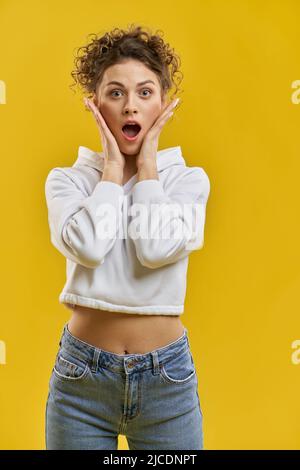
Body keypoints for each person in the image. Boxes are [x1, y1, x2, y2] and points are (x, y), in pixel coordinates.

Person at [44, 24, 210, 450]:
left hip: (167, 382)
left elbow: (154, 249)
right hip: (81, 380)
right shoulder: (67, 181)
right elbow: (89, 246)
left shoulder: (189, 181)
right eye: (115, 93)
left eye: (145, 92)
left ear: (164, 103)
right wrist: (113, 173)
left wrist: (149, 167)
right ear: (95, 104)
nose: (130, 107)